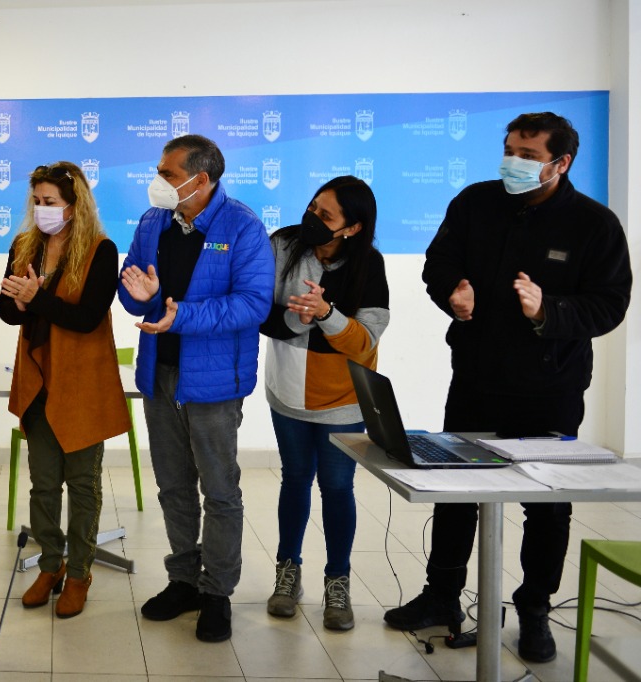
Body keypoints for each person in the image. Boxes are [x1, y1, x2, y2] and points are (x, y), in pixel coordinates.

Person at [386, 112, 631, 663]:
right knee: (455, 495)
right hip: (476, 379)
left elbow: (611, 303)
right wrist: (453, 291)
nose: (513, 163)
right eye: (510, 150)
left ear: (560, 163)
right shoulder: (476, 201)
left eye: (527, 155)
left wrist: (550, 310)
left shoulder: (595, 224)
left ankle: (535, 610)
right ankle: (441, 595)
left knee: (547, 508)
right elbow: (438, 261)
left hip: (551, 388)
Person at [118, 134, 274, 642]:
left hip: (213, 384)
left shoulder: (243, 226)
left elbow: (253, 304)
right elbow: (135, 288)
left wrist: (178, 314)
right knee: (173, 488)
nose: (157, 181)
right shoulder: (152, 223)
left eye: (167, 173)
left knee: (220, 492)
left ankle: (217, 593)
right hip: (160, 375)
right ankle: (183, 580)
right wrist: (141, 295)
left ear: (199, 180)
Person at [0, 162, 131, 619]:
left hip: (82, 380)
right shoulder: (24, 245)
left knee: (83, 483)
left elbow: (87, 318)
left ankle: (79, 573)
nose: (41, 210)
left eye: (50, 202)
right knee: (44, 483)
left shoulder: (100, 249)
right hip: (38, 378)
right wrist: (18, 303)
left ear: (74, 205)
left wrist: (38, 300)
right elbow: (8, 313)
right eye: (36, 201)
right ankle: (49, 565)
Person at [258, 176, 388, 631]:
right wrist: (299, 316)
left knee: (336, 488)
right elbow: (260, 311)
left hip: (344, 403)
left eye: (326, 215)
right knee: (295, 480)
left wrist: (327, 315)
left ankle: (338, 580)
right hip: (289, 393)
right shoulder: (281, 246)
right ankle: (287, 573)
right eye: (313, 206)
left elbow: (365, 342)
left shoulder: (369, 264)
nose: (312, 217)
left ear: (351, 228)